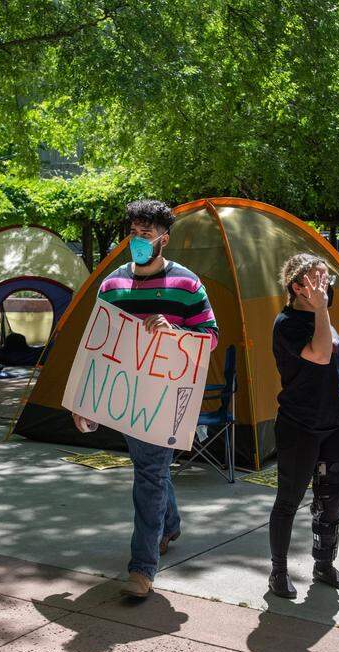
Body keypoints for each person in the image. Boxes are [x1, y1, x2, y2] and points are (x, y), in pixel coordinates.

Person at [72, 199, 218, 599]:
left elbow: (211, 337)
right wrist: (84, 399)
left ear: (164, 240)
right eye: (133, 234)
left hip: (164, 400)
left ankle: (142, 567)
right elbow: (96, 345)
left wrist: (174, 332)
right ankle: (169, 525)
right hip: (125, 401)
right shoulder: (111, 285)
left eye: (146, 235)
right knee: (149, 469)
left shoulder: (187, 285)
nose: (137, 241)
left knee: (149, 475)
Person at [266, 253, 339, 599]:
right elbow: (319, 355)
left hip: (330, 423)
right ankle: (278, 571)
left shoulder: (323, 317)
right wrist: (321, 309)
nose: (326, 286)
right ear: (297, 287)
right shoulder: (287, 323)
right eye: (318, 280)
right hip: (298, 425)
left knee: (333, 499)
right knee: (289, 499)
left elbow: (330, 371)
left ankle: (324, 564)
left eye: (326, 279)